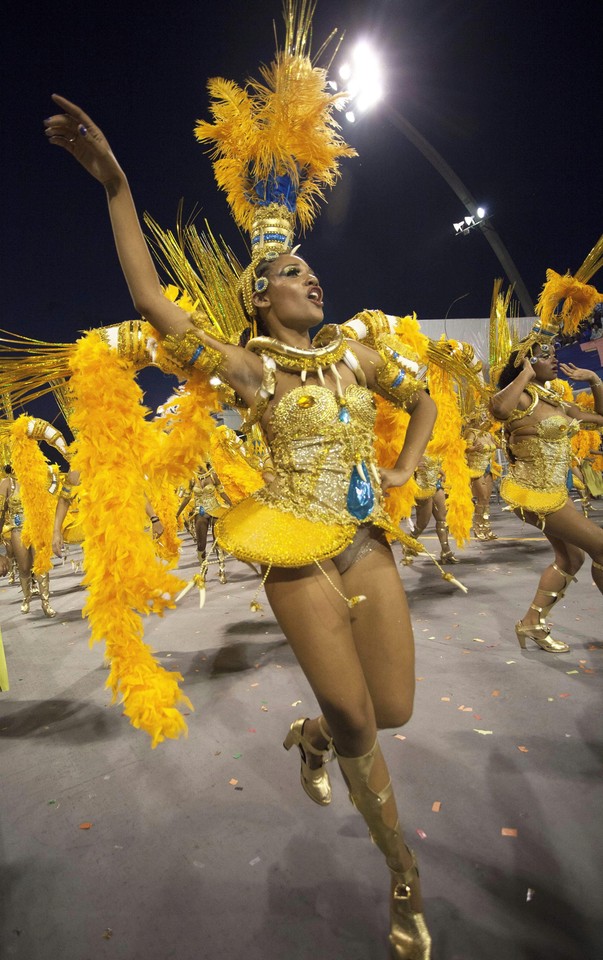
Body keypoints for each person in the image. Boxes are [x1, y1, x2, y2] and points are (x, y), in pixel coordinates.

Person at [44, 62, 437, 956]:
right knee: (358, 720)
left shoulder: (360, 356)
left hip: (364, 539)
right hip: (293, 550)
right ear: (261, 293)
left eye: (312, 270)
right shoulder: (251, 370)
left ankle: (309, 737)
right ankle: (404, 873)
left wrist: (407, 470)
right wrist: (117, 184)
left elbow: (423, 404)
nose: (313, 282)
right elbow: (150, 300)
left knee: (393, 712)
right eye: (294, 273)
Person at [490, 345, 603, 652]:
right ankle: (532, 624)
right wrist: (525, 372)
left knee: (572, 558)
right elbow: (497, 409)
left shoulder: (556, 402)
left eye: (554, 354)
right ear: (525, 361)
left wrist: (594, 380)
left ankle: (531, 624)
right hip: (531, 491)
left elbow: (600, 418)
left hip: (555, 491)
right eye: (544, 355)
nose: (554, 359)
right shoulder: (520, 399)